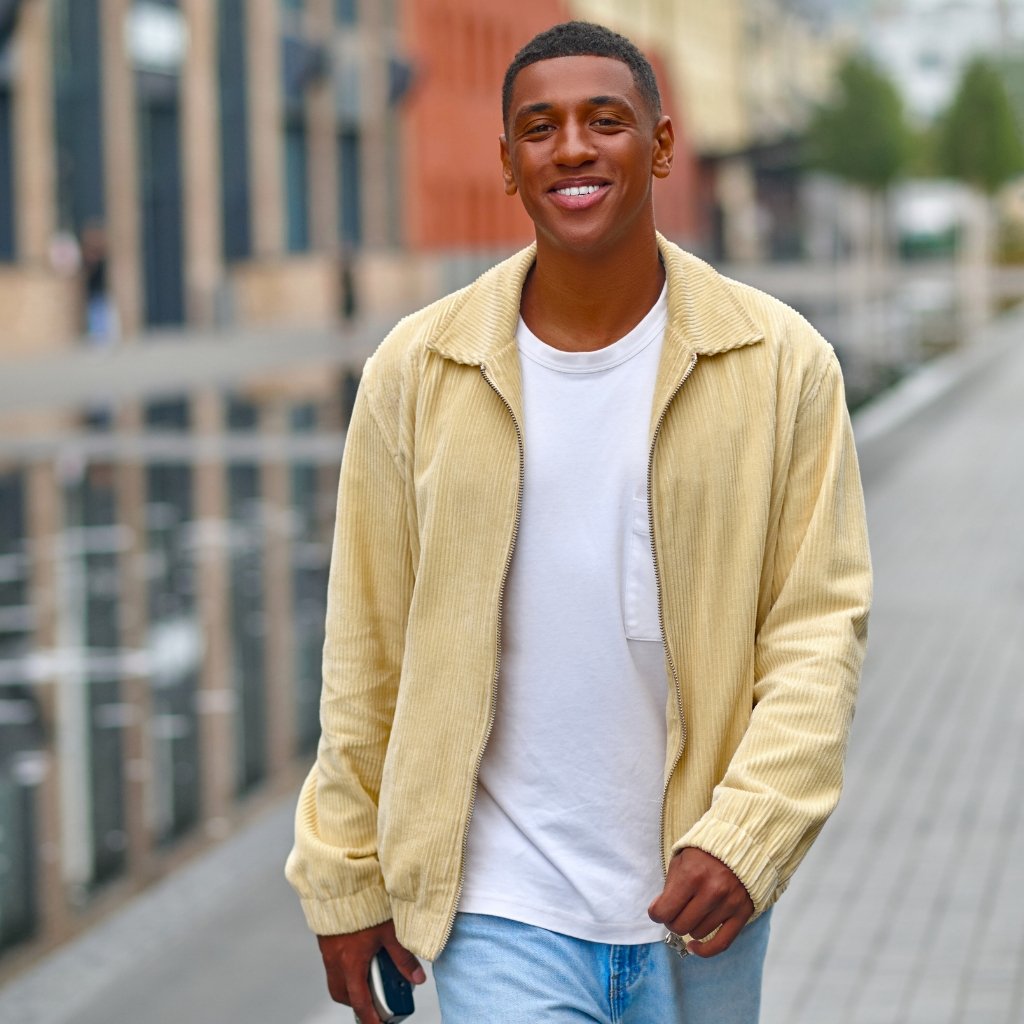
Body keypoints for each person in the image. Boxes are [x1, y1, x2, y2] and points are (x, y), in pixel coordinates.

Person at [286, 20, 871, 1024]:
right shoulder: (417, 372)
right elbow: (366, 645)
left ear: (661, 145)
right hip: (498, 904)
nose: (571, 147)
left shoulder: (782, 365)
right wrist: (343, 869)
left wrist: (749, 830)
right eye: (539, 127)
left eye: (604, 119)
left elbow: (817, 629)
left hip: (702, 906)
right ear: (508, 164)